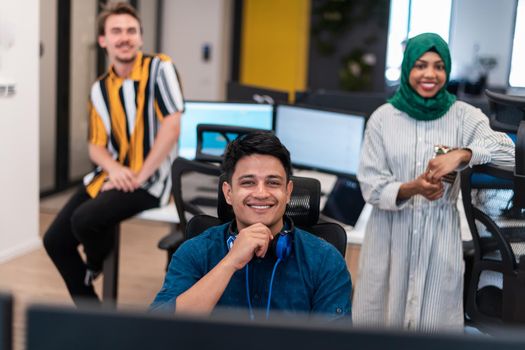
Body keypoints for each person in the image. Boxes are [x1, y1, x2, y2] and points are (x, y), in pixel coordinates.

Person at [352, 33, 515, 332]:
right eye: (420, 65)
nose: (430, 74)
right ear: (407, 68)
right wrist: (412, 188)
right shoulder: (383, 119)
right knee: (379, 328)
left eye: (439, 66)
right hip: (390, 235)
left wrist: (464, 154)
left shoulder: (464, 116)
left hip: (439, 238)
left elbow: (511, 154)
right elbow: (371, 186)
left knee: (433, 332)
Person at [43, 2, 184, 305]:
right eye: (116, 31)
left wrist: (138, 177)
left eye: (131, 31)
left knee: (84, 220)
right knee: (54, 240)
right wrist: (116, 170)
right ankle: (92, 312)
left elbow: (171, 127)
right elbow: (96, 145)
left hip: (152, 179)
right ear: (103, 40)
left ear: (141, 38)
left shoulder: (161, 68)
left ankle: (93, 265)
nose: (125, 37)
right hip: (114, 173)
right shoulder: (100, 88)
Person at [151, 132, 352, 320]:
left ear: (288, 191)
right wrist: (230, 262)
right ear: (228, 193)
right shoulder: (196, 251)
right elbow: (158, 330)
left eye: (273, 183)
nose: (261, 193)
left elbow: (335, 343)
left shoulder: (325, 261)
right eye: (248, 183)